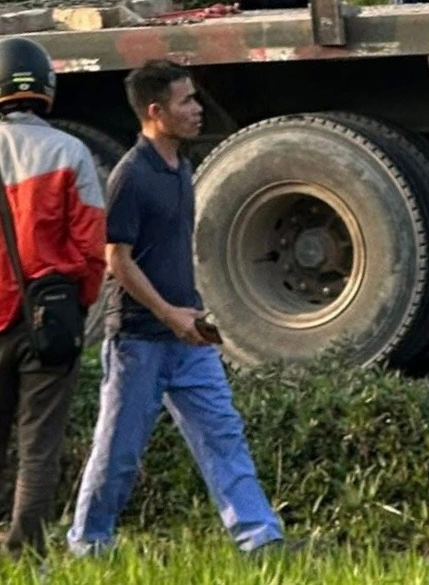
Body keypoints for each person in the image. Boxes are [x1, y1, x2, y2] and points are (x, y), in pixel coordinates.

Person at [68, 60, 284, 556]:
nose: (197, 109)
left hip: (189, 337)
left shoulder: (181, 167)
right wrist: (169, 313)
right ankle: (88, 546)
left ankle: (260, 539)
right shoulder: (131, 175)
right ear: (154, 111)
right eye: (186, 101)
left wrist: (190, 315)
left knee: (223, 435)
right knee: (118, 453)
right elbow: (116, 261)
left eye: (194, 98)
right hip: (139, 340)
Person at [0, 37, 106, 555]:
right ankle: (24, 549)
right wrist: (76, 303)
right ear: (46, 89)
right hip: (50, 320)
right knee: (39, 445)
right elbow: (92, 245)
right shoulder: (71, 152)